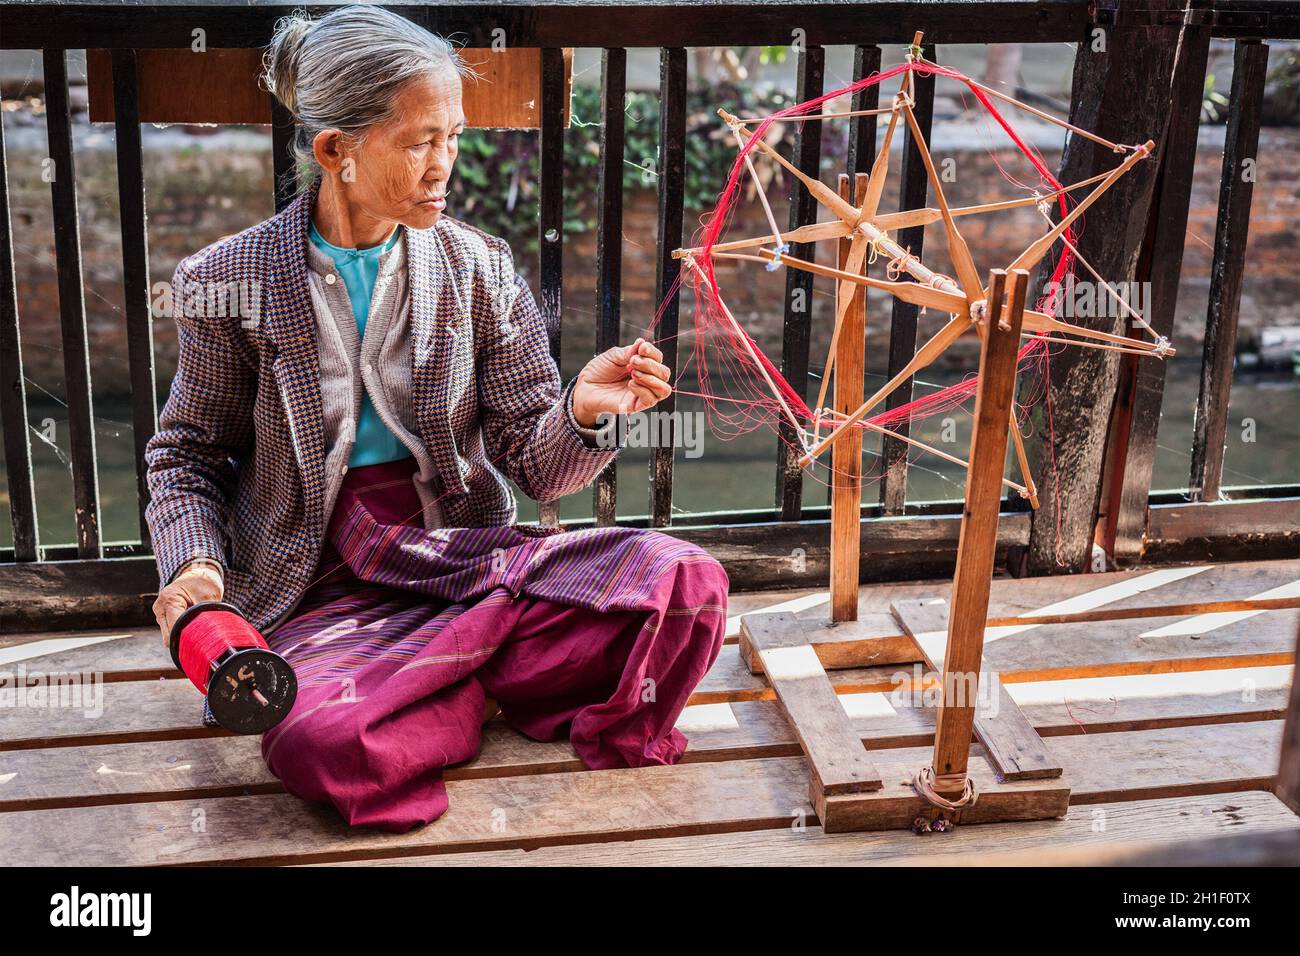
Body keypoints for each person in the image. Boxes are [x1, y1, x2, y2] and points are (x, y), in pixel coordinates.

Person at [146, 5, 728, 832]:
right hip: (319, 585)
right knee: (323, 740)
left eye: (452, 137)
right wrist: (195, 572)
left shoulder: (478, 267)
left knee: (682, 583)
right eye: (421, 141)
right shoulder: (227, 281)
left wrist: (586, 413)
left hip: (459, 560)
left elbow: (535, 462)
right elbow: (188, 458)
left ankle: (440, 680)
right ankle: (469, 678)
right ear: (335, 150)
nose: (444, 166)